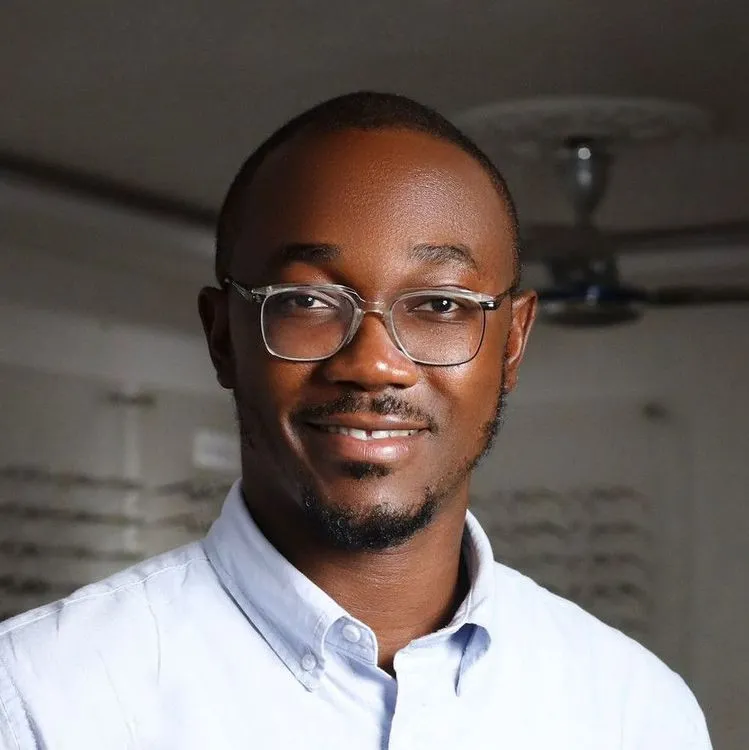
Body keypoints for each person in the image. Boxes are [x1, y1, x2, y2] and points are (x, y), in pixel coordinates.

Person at [0, 92, 711, 749]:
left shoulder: (633, 709)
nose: (373, 365)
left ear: (512, 343)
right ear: (223, 336)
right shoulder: (42, 696)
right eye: (307, 301)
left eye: (438, 305)